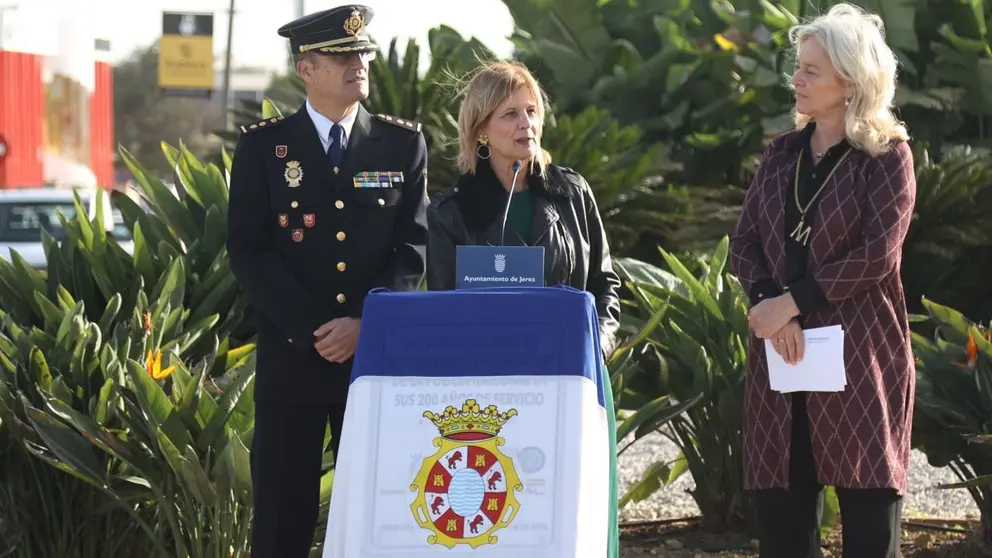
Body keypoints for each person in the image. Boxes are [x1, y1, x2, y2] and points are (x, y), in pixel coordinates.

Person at [225, 5, 429, 557]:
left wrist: (366, 323)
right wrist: (315, 328)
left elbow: (411, 248)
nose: (357, 63)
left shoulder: (401, 144)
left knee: (376, 507)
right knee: (282, 516)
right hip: (293, 357)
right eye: (342, 56)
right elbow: (249, 248)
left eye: (362, 53)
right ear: (305, 69)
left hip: (369, 360)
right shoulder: (265, 148)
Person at [729, 4, 916, 557]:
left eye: (812, 70)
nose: (797, 79)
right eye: (799, 67)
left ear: (851, 80)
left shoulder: (886, 158)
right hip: (782, 362)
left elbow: (877, 255)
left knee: (868, 527)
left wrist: (790, 303)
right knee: (784, 526)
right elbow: (744, 244)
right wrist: (767, 303)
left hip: (861, 358)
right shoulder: (780, 154)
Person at [424, 59, 622, 556]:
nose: (526, 124)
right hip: (488, 398)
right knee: (499, 522)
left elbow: (606, 283)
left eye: (532, 111)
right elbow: (443, 310)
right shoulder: (450, 213)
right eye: (510, 114)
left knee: (565, 517)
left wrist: (596, 344)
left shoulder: (572, 194)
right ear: (481, 130)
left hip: (570, 382)